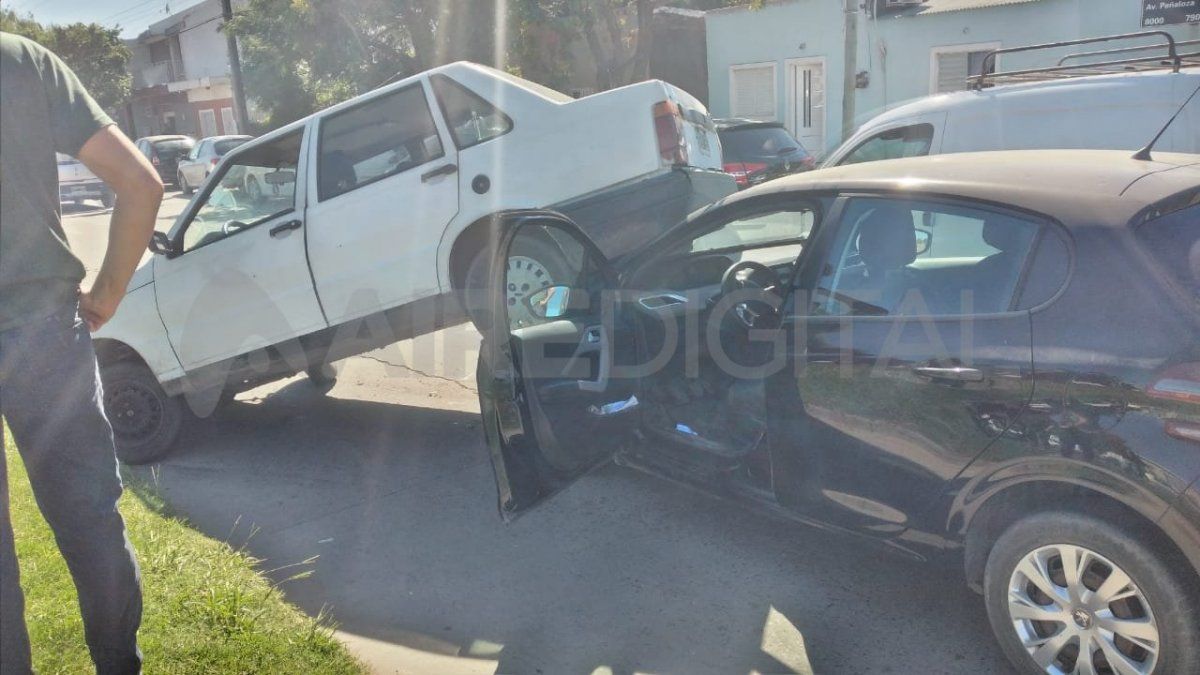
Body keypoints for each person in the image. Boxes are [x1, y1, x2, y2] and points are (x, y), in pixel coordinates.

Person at [0, 32, 164, 674]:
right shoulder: (22, 61)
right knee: (89, 518)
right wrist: (106, 292)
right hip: (45, 329)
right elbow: (142, 185)